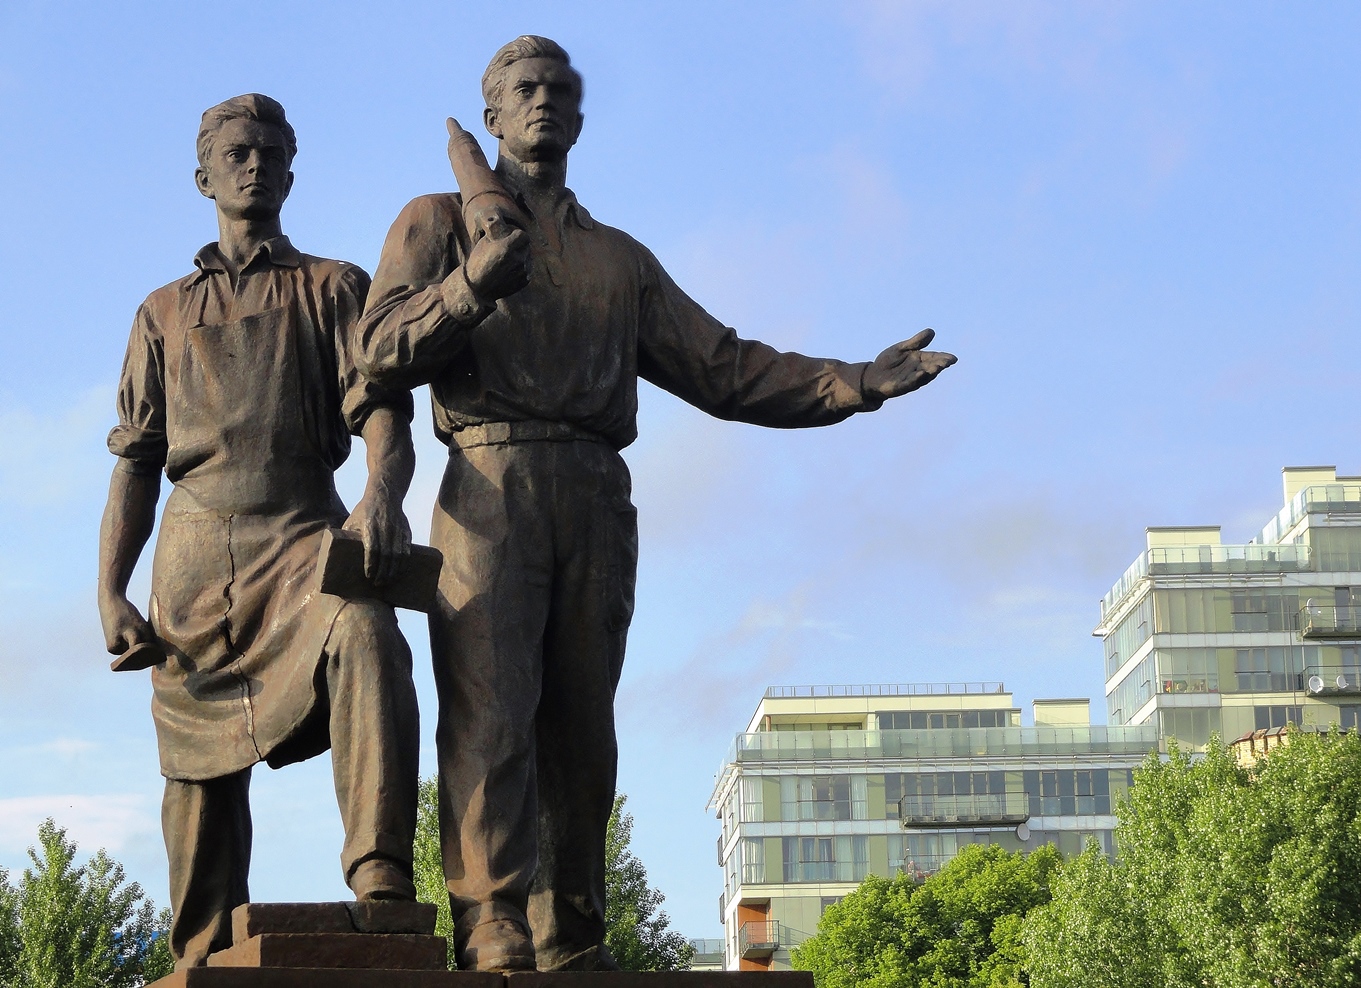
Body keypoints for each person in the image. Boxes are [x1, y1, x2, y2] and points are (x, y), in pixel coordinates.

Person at [356, 37, 957, 973]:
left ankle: (570, 929)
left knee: (582, 731)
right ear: (493, 115)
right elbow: (380, 348)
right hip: (488, 483)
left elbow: (723, 365)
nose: (544, 101)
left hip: (595, 493)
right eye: (524, 90)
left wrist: (850, 383)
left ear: (581, 118)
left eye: (560, 90)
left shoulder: (617, 259)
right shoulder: (436, 220)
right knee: (491, 712)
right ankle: (491, 917)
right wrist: (473, 284)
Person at [97, 94, 421, 969]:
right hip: (194, 553)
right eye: (236, 152)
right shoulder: (161, 311)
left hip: (302, 533)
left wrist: (380, 497)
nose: (253, 165)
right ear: (203, 174)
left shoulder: (334, 285)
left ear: (290, 169)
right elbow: (134, 457)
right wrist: (110, 590)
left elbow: (382, 410)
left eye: (271, 152)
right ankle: (199, 945)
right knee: (195, 765)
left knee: (368, 637)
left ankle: (382, 873)